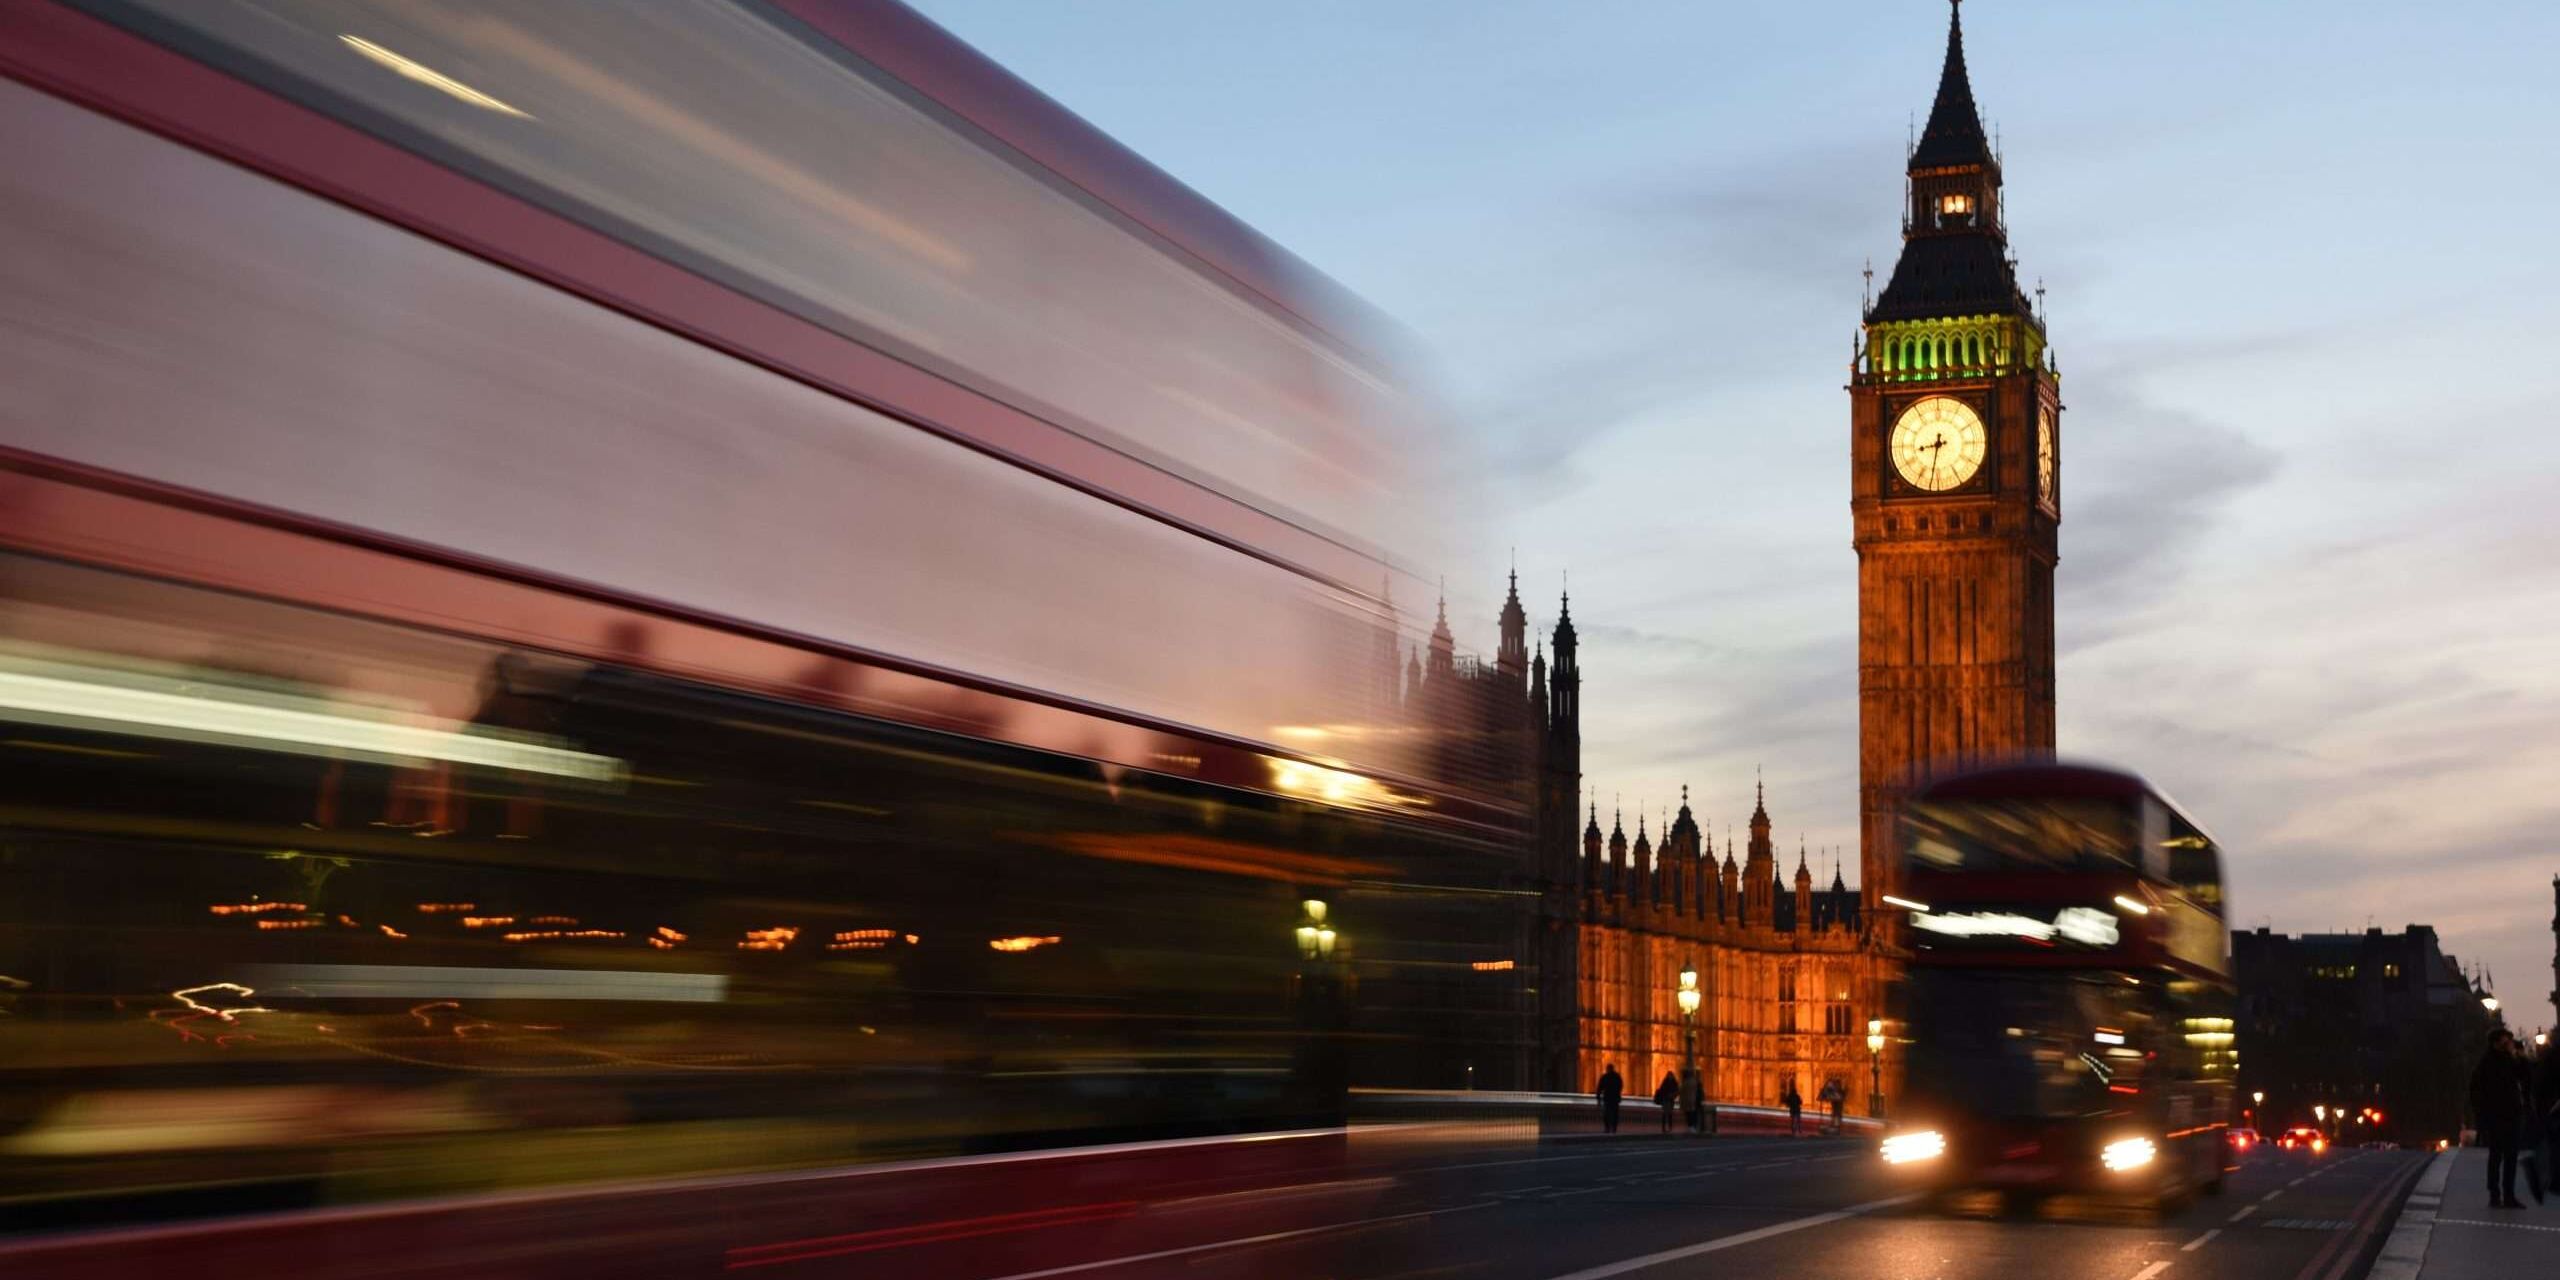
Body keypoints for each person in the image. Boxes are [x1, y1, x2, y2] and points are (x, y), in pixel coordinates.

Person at [2469, 1029, 2529, 1208]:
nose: (2508, 1043)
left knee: (2511, 1156)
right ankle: (2494, 1194)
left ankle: (2509, 1194)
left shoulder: (2510, 1059)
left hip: (2512, 1114)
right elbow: (2476, 1091)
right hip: (2495, 1116)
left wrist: (2520, 1057)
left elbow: (2525, 1076)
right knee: (2496, 1156)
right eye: (2505, 1041)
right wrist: (2483, 1114)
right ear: (2496, 1042)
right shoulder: (2486, 1063)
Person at [1596, 1063, 1623, 1134]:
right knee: (1614, 1113)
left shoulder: (1605, 1077)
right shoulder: (1617, 1077)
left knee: (1607, 1113)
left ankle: (1608, 1128)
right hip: (1614, 1098)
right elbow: (1620, 1086)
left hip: (1608, 1098)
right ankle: (1613, 1128)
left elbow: (1599, 1088)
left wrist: (1598, 1098)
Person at [1683, 1070, 1706, 1136]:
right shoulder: (1695, 1083)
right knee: (1693, 1114)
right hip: (1694, 1101)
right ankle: (1694, 1126)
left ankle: (1692, 1126)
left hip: (1693, 1101)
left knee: (1691, 1113)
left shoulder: (1688, 1083)